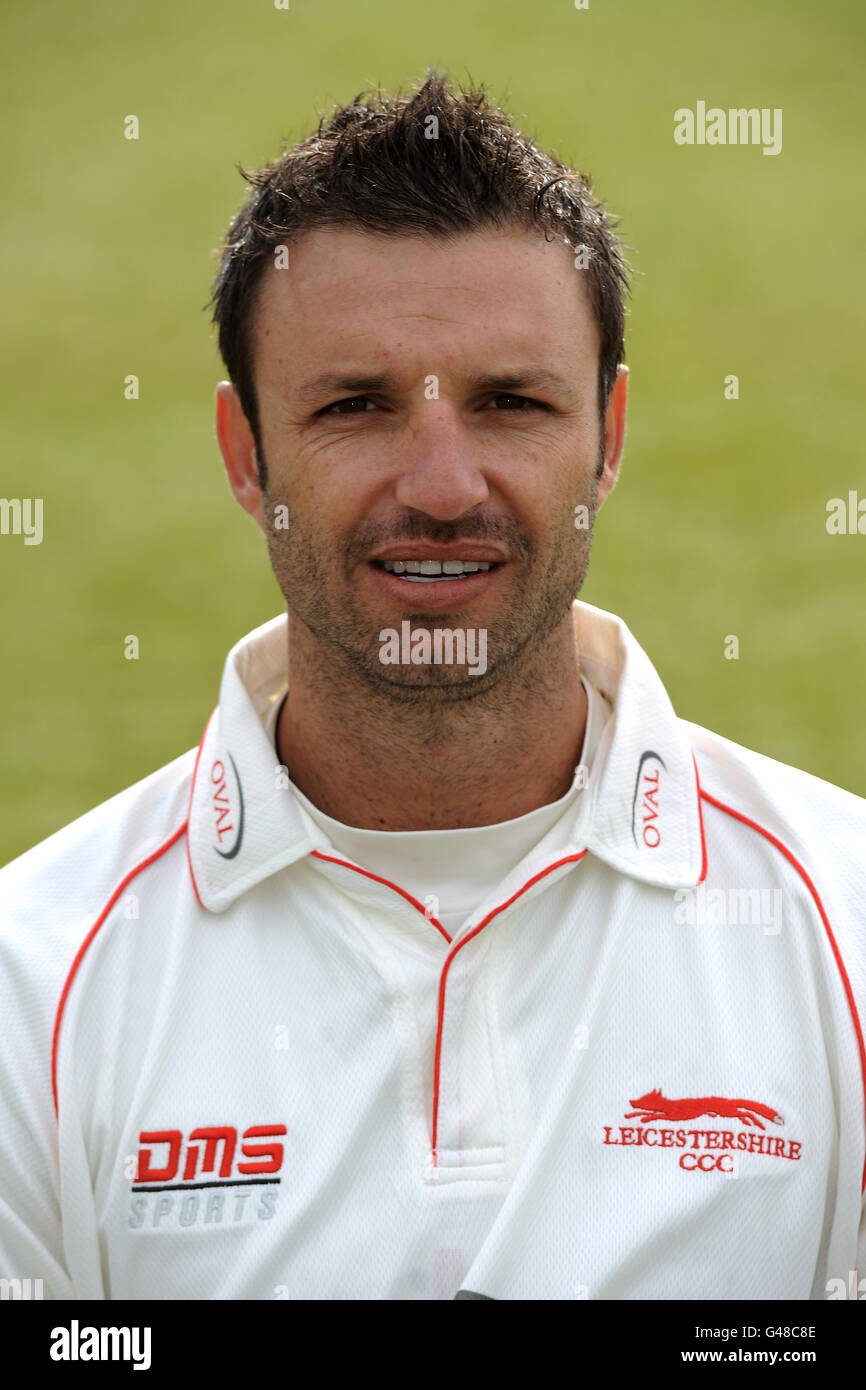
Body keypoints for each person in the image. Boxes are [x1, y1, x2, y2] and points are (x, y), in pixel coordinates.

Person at [0, 70, 863, 1302]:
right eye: (354, 406)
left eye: (511, 403)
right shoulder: (31, 986)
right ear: (248, 455)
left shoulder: (845, 927)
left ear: (607, 439)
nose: (443, 484)